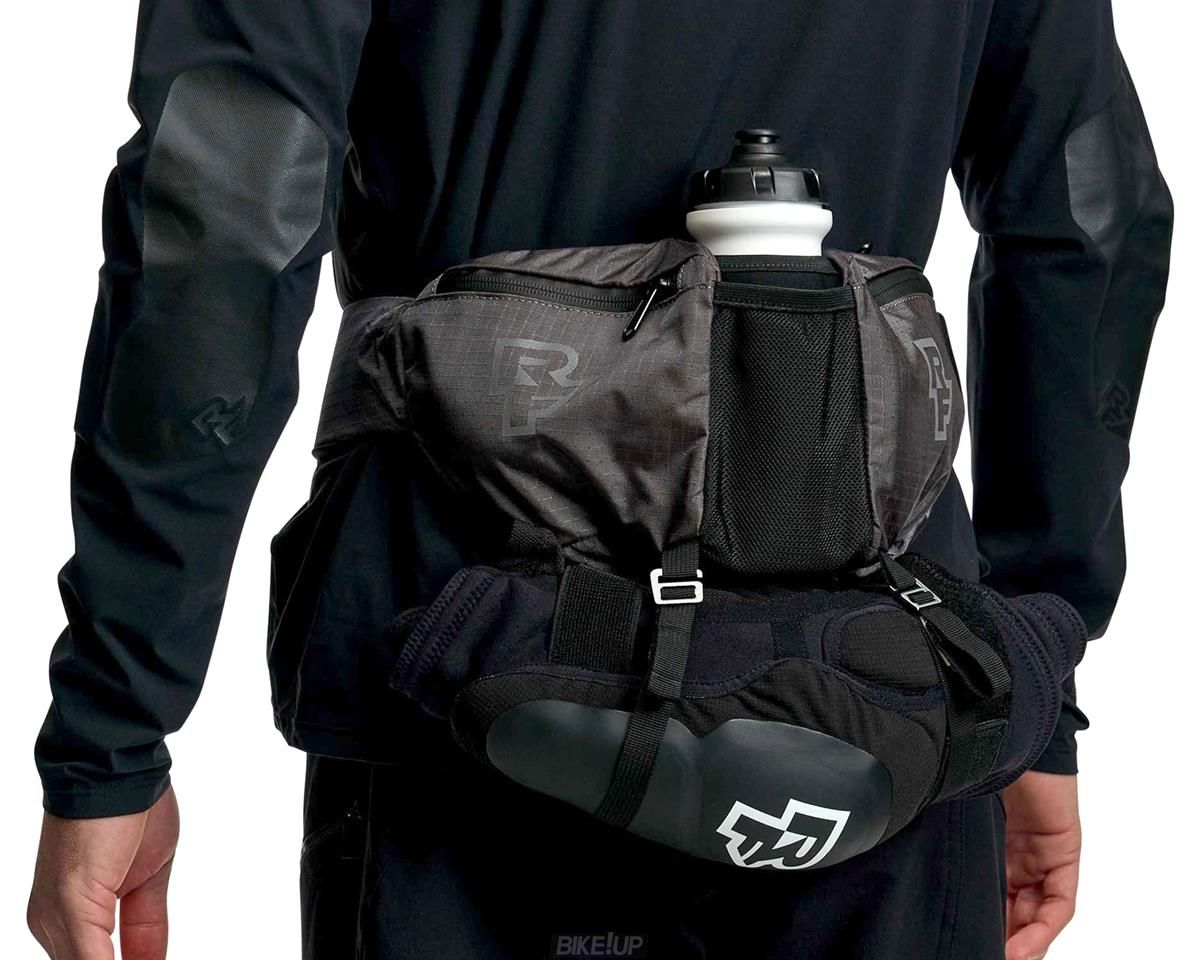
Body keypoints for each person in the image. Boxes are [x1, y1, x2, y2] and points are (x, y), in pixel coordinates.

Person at [25, 1, 1171, 958]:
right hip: (881, 694)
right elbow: (1092, 217)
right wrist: (1028, 679)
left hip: (474, 656)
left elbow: (225, 210)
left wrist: (113, 731)